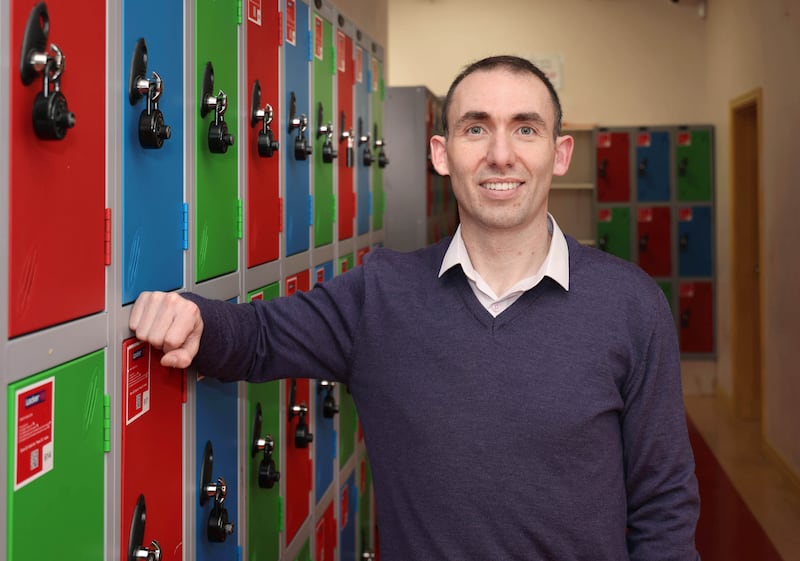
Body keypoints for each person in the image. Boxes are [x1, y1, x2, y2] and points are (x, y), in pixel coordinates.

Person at [130, 55, 700, 560]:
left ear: (560, 153)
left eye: (526, 129)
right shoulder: (380, 295)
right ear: (442, 153)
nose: (501, 155)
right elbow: (257, 338)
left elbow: (664, 506)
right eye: (476, 128)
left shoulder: (631, 305)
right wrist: (194, 318)